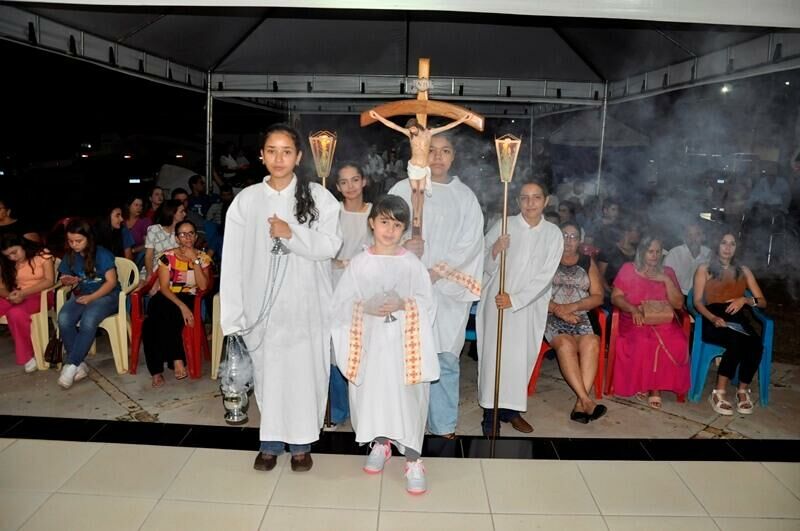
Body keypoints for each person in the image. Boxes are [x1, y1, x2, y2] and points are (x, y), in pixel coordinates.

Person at [221, 123, 342, 473]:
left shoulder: (319, 198)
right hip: (263, 307)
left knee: (305, 374)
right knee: (270, 373)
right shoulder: (246, 201)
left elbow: (330, 246)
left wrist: (292, 233)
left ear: (299, 157)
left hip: (306, 304)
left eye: (286, 151)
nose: (278, 158)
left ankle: (302, 444)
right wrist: (235, 315)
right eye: (271, 150)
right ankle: (270, 443)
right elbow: (233, 261)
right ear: (261, 155)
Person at [331, 195, 438, 494]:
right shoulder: (359, 264)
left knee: (407, 401)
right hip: (371, 346)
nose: (390, 230)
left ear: (404, 229)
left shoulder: (412, 264)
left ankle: (414, 459)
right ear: (372, 223)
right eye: (384, 222)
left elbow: (428, 305)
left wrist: (404, 304)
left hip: (404, 347)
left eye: (397, 224)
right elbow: (340, 305)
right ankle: (380, 443)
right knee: (374, 398)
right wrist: (362, 308)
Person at [388, 130, 484, 439]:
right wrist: (404, 247)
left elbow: (470, 243)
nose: (438, 157)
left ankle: (443, 423)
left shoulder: (465, 196)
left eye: (445, 151)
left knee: (444, 356)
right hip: (408, 288)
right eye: (432, 150)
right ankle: (404, 421)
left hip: (447, 290)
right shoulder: (404, 188)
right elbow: (384, 229)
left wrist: (436, 272)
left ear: (454, 156)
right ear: (421, 152)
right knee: (407, 355)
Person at [477, 181, 563, 435]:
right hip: (497, 303)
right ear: (517, 202)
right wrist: (494, 250)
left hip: (526, 307)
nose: (530, 203)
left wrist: (516, 299)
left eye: (536, 197)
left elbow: (546, 276)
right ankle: (489, 415)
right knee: (495, 357)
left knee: (519, 358)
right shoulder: (504, 225)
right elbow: (481, 260)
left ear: (546, 201)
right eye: (524, 198)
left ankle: (510, 410)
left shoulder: (553, 234)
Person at [610, 236, 689, 408]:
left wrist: (666, 280)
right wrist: (633, 309)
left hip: (662, 319)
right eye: (650, 251)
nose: (654, 256)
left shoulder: (668, 272)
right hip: (633, 317)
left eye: (658, 252)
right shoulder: (628, 269)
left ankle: (654, 387)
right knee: (642, 340)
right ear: (642, 252)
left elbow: (678, 304)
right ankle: (648, 386)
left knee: (678, 341)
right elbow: (616, 297)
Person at [692, 230, 766, 415]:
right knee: (736, 341)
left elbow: (762, 301)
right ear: (717, 245)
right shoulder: (705, 268)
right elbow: (697, 302)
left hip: (737, 318)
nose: (727, 247)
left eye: (732, 244)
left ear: (736, 248)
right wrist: (713, 318)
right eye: (724, 242)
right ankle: (719, 392)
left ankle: (742, 390)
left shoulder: (744, 270)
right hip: (713, 318)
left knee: (756, 343)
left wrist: (746, 300)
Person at [545, 221, 606, 423]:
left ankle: (582, 403)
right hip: (551, 314)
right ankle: (586, 401)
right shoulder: (547, 259)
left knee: (592, 342)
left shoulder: (587, 262)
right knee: (565, 344)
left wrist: (572, 307)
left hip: (580, 315)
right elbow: (535, 294)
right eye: (564, 235)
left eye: (573, 237)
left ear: (580, 241)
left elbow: (598, 296)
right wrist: (559, 311)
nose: (568, 240)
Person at [328, 162, 372, 429]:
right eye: (344, 182)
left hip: (364, 288)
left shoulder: (374, 213)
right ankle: (337, 409)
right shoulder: (331, 214)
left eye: (355, 180)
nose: (350, 187)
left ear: (364, 181)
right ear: (337, 186)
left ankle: (363, 410)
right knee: (335, 348)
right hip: (334, 285)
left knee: (362, 348)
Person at [142, 220, 211, 387]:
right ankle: (169, 363)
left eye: (191, 233)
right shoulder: (167, 256)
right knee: (153, 320)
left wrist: (194, 260)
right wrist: (183, 307)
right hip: (167, 296)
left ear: (195, 236)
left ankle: (168, 364)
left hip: (189, 295)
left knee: (159, 321)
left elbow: (203, 286)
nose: (187, 237)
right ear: (177, 238)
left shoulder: (203, 258)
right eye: (182, 234)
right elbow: (164, 288)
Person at [56, 219, 120, 388]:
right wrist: (68, 280)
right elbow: (65, 278)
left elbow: (111, 282)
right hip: (83, 293)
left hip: (108, 295)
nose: (74, 245)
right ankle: (78, 364)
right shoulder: (70, 255)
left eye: (78, 241)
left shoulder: (102, 253)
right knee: (64, 318)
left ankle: (71, 365)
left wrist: (92, 298)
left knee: (89, 319)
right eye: (71, 241)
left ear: (89, 239)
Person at [0, 234, 55, 372]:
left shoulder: (42, 255)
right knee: (12, 308)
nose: (12, 257)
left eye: (14, 252)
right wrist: (10, 296)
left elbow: (49, 281)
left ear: (23, 245)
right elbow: (1, 287)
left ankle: (27, 356)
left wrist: (23, 293)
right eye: (8, 256)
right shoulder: (7, 262)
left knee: (15, 313)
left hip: (40, 294)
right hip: (15, 294)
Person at [597, 218, 640, 302]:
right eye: (637, 231)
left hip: (633, 293)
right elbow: (599, 276)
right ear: (626, 232)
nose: (639, 234)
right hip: (610, 295)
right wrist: (611, 291)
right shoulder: (609, 250)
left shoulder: (639, 252)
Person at [664, 223, 711, 296]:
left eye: (697, 234)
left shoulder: (709, 254)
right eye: (689, 235)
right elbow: (665, 281)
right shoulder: (674, 254)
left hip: (701, 297)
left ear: (703, 237)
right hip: (678, 295)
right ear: (684, 238)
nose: (693, 239)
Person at [143, 199, 186, 278]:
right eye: (181, 211)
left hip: (174, 271)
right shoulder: (154, 229)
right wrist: (149, 275)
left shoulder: (182, 232)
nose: (185, 214)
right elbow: (148, 256)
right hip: (154, 269)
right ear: (172, 213)